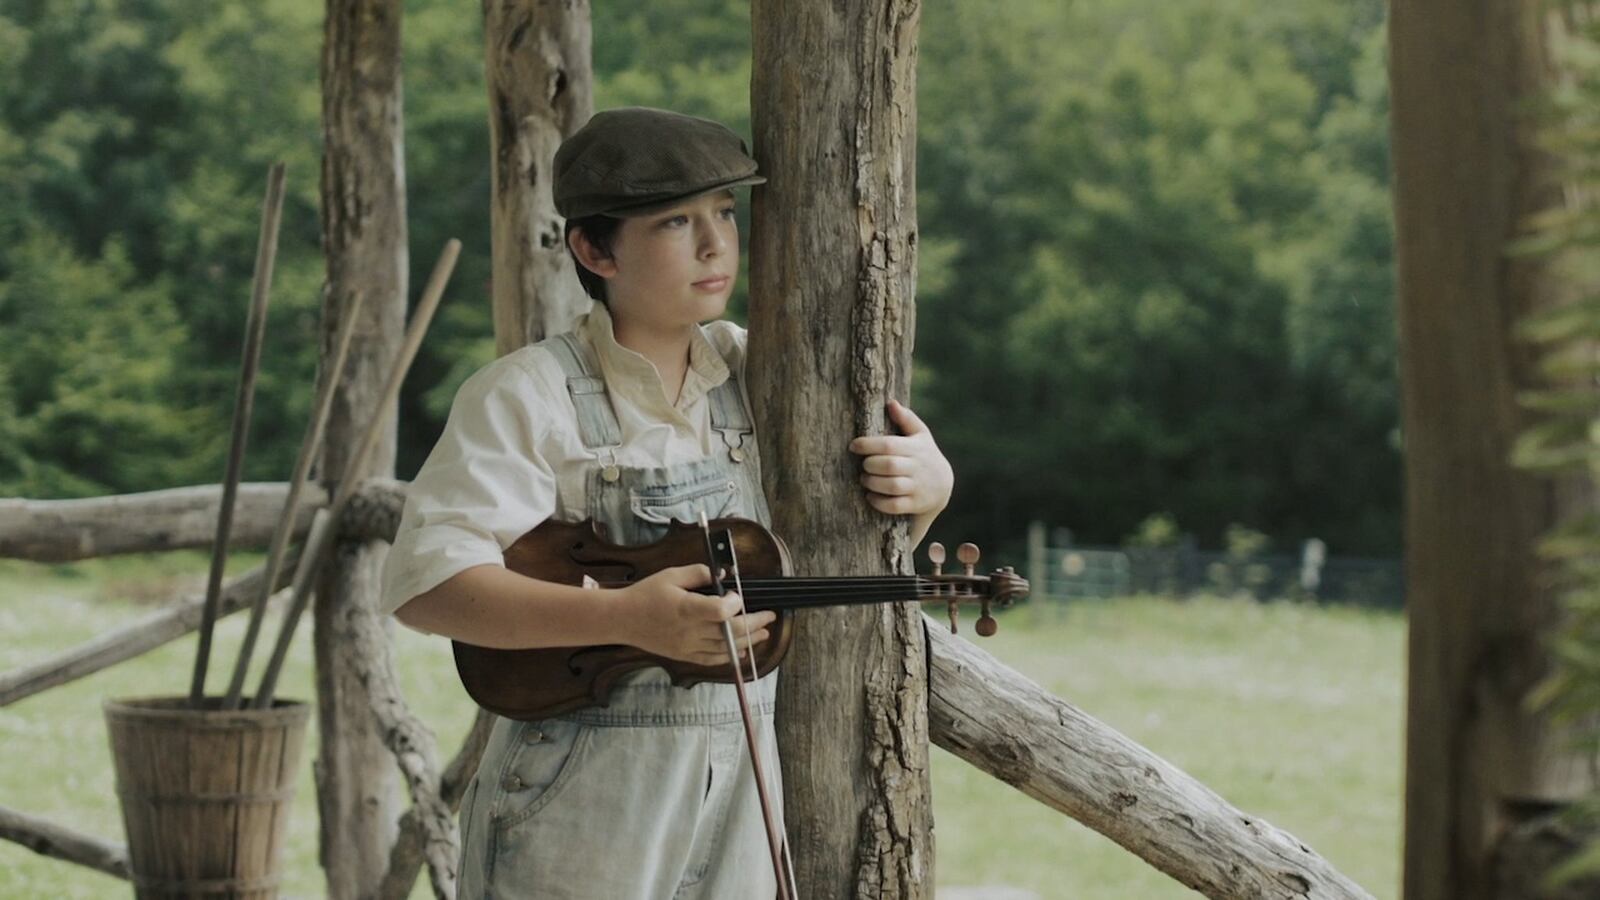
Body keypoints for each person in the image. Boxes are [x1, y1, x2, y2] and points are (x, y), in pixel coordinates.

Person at [379, 107, 954, 899]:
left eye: (724, 213)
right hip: (580, 800)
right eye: (676, 222)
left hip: (745, 798)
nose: (717, 244)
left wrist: (928, 488)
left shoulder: (773, 377)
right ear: (593, 249)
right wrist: (622, 619)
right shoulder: (526, 394)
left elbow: (837, 541)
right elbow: (427, 588)